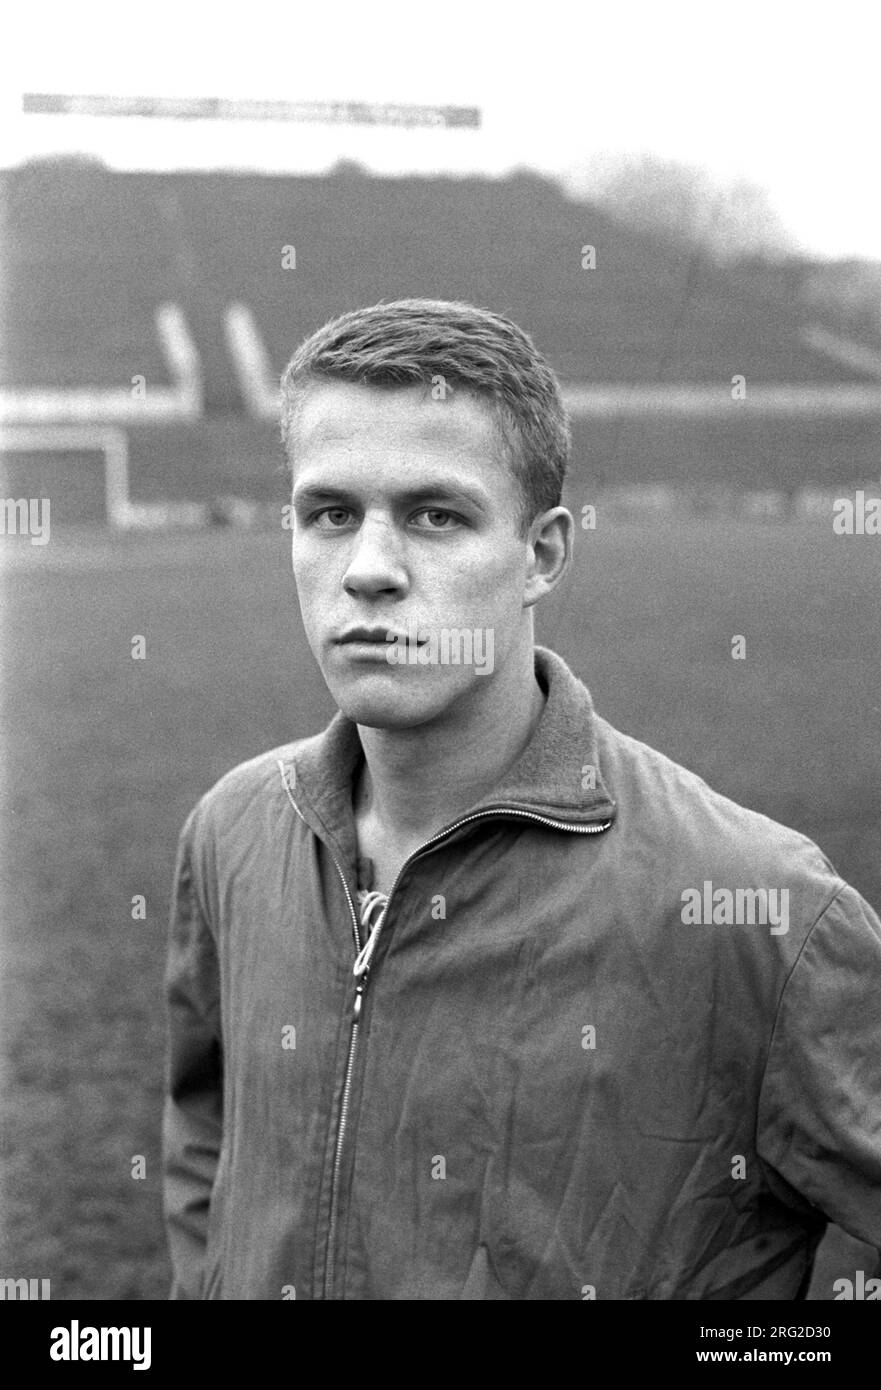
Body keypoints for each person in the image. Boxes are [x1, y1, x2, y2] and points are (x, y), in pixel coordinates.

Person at [162, 298, 881, 1300]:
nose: (368, 570)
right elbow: (207, 1140)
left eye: (434, 515)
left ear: (540, 554)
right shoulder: (233, 831)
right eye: (331, 513)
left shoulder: (757, 908)